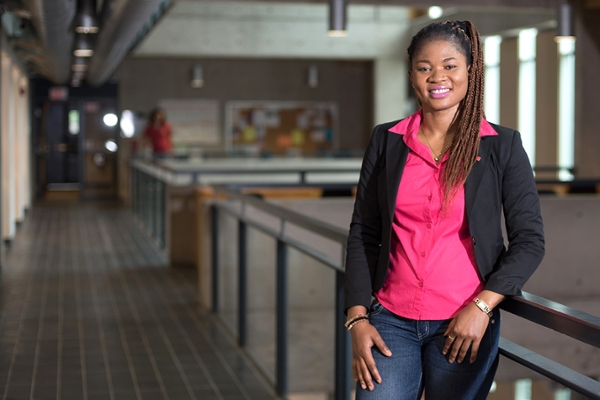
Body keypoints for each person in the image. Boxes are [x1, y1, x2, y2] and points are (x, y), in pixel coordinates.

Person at [344, 20, 544, 400]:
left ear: (470, 70)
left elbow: (530, 241)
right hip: (390, 318)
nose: (438, 76)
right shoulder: (386, 140)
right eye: (425, 67)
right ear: (411, 75)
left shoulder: (502, 145)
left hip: (462, 324)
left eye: (450, 65)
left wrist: (482, 308)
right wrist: (356, 317)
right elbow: (364, 233)